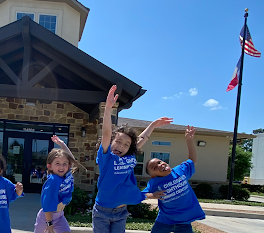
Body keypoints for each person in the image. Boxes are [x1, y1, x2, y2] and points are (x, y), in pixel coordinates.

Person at [93, 85, 171, 233]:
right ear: (111, 142)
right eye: (118, 142)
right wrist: (108, 108)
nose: (121, 146)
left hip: (121, 212)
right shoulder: (107, 158)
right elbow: (107, 133)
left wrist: (153, 125)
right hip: (102, 212)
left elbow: (142, 138)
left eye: (126, 145)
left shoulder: (129, 158)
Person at [142, 125, 205, 233]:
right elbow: (141, 195)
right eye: (155, 167)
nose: (160, 165)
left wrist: (189, 140)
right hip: (164, 221)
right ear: (153, 175)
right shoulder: (154, 183)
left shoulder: (180, 171)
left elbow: (192, 160)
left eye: (159, 162)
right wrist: (152, 195)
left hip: (184, 222)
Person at [34, 135, 77, 233]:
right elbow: (47, 202)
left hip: (60, 216)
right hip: (46, 218)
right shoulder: (53, 180)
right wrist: (49, 223)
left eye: (65, 163)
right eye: (57, 163)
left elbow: (71, 159)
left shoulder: (66, 176)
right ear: (50, 166)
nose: (62, 166)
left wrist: (62, 144)